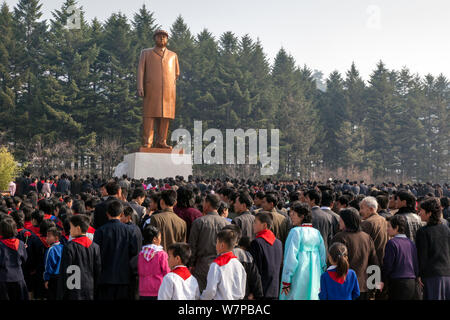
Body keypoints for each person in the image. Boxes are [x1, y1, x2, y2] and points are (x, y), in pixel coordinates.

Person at [280, 202, 326, 300]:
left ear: (302, 216)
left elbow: (290, 258)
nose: (291, 216)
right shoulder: (316, 233)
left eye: (294, 214)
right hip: (315, 274)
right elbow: (323, 257)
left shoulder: (295, 232)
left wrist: (286, 281)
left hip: (298, 274)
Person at [93, 200, 138, 300]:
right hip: (124, 278)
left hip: (104, 278)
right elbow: (134, 253)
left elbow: (96, 255)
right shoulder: (130, 231)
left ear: (107, 214)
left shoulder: (100, 231)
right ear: (121, 214)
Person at [331, 208, 379, 300]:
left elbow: (334, 262)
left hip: (344, 285)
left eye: (340, 219)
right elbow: (374, 263)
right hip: (363, 286)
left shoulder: (340, 237)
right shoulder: (366, 237)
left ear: (346, 221)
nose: (339, 221)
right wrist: (373, 287)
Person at [189, 193, 230, 291]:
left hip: (202, 265)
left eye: (204, 202)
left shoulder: (199, 222)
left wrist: (191, 264)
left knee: (202, 293)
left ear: (207, 204)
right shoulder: (227, 224)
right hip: (222, 265)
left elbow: (192, 247)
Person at [58, 214, 101, 300]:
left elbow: (65, 272)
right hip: (90, 288)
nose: (69, 230)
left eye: (71, 227)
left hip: (74, 290)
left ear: (78, 228)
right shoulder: (95, 247)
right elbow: (98, 271)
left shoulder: (69, 247)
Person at [416, 197, 450, 300]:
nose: (419, 213)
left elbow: (422, 255)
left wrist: (419, 275)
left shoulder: (423, 232)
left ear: (429, 213)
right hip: (447, 275)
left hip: (431, 276)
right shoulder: (446, 229)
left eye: (421, 210)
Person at [380, 215, 420, 300]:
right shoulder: (411, 243)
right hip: (412, 282)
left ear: (396, 227)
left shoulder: (392, 243)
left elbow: (388, 265)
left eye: (389, 226)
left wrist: (383, 280)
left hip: (397, 283)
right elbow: (416, 263)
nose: (387, 229)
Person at [200, 229, 247, 300]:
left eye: (217, 242)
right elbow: (242, 290)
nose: (216, 245)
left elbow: (211, 290)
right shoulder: (238, 264)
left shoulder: (216, 265)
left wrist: (202, 298)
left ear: (222, 245)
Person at [223, 224, 263, 300]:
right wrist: (256, 294)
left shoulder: (222, 255)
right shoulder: (247, 255)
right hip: (244, 295)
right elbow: (255, 278)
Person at [249, 211, 283, 299]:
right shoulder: (278, 243)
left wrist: (253, 292)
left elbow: (255, 271)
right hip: (274, 290)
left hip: (260, 292)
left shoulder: (257, 243)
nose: (253, 225)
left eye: (255, 222)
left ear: (264, 225)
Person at [138, 225, 170, 300]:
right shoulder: (161, 254)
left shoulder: (141, 254)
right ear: (155, 239)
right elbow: (167, 272)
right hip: (158, 289)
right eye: (160, 237)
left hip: (143, 289)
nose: (160, 240)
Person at [0, 217, 28, 300]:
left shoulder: (1, 245)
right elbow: (25, 259)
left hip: (4, 279)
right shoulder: (21, 243)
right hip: (18, 277)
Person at [359, 196, 388, 265]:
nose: (360, 211)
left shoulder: (368, 223)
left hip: (370, 262)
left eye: (362, 208)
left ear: (371, 209)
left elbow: (362, 246)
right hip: (381, 260)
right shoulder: (383, 220)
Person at [43, 227, 63, 300]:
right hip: (62, 277)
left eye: (48, 236)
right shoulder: (63, 247)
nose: (46, 238)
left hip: (53, 278)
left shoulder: (51, 250)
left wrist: (46, 279)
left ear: (56, 238)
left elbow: (48, 266)